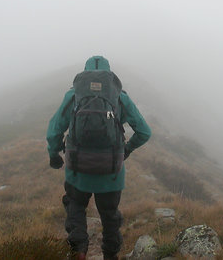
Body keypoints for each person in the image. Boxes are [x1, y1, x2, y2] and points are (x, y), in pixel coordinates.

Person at [46, 56, 151, 260]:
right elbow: (144, 132)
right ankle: (110, 256)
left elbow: (53, 131)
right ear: (109, 75)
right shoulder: (120, 97)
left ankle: (79, 249)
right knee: (110, 216)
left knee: (75, 205)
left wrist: (54, 155)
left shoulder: (73, 95)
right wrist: (127, 149)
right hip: (111, 172)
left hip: (78, 170)